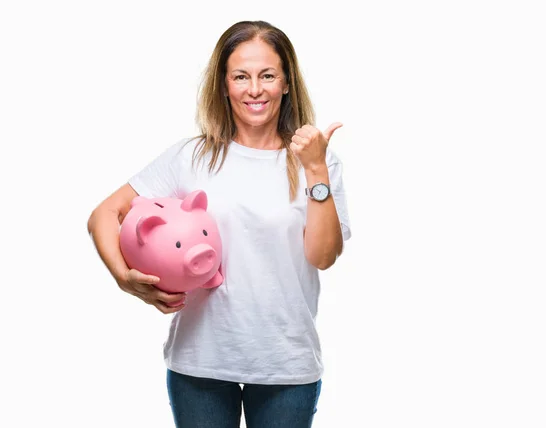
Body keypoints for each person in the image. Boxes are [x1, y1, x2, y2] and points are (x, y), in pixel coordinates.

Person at [87, 20, 351, 428]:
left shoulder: (317, 160)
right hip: (201, 364)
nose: (255, 89)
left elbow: (323, 255)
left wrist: (315, 171)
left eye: (267, 75)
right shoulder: (192, 157)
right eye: (241, 76)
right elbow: (105, 214)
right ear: (224, 85)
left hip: (286, 364)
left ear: (286, 83)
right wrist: (124, 277)